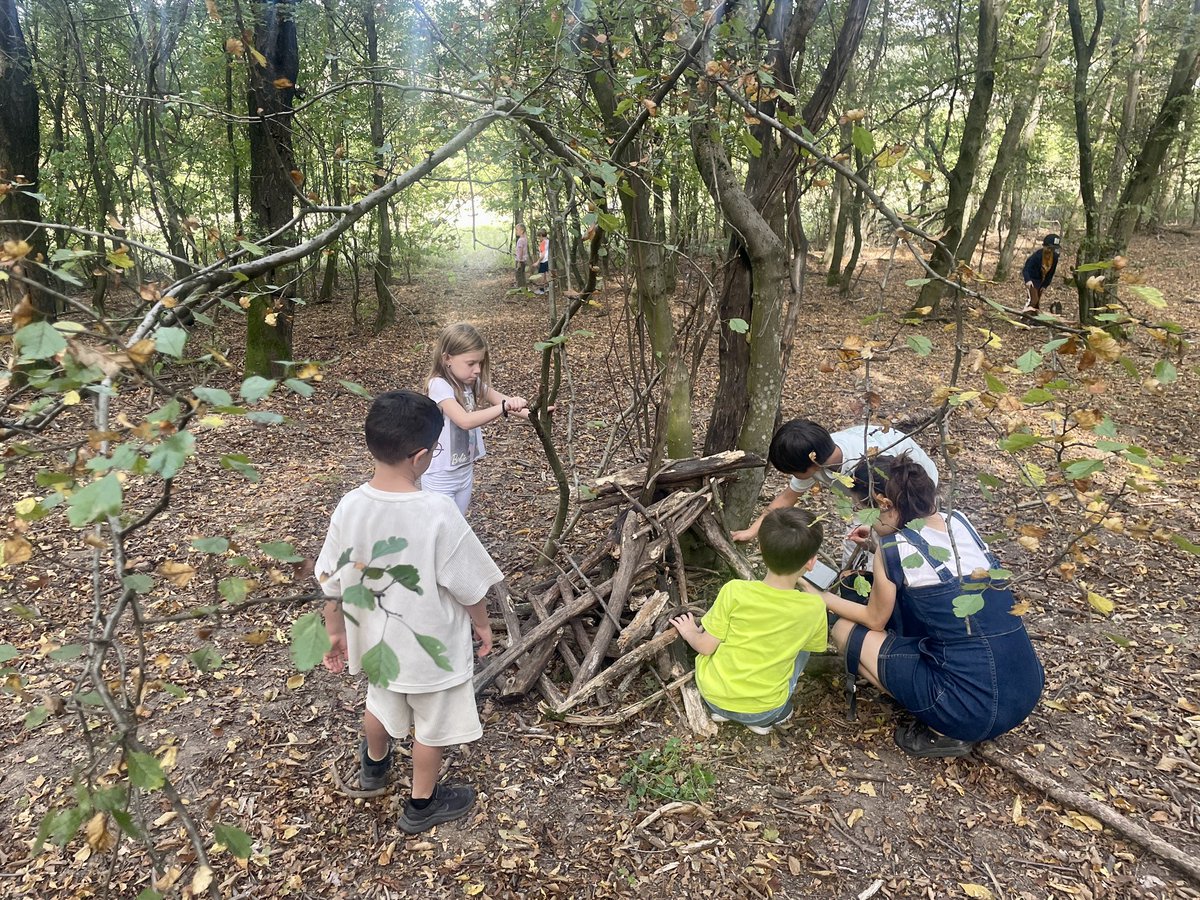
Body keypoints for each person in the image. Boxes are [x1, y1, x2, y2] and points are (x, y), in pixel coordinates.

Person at [315, 390, 504, 833]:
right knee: (431, 727)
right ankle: (422, 805)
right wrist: (481, 624)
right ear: (421, 457)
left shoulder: (351, 505)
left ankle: (374, 768)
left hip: (377, 641)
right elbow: (467, 581)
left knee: (379, 705)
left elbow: (332, 577)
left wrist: (335, 630)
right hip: (429, 648)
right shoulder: (436, 511)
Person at [815, 453, 1044, 757]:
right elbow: (932, 564)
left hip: (969, 709)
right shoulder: (958, 521)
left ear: (883, 503)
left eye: (864, 511)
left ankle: (942, 728)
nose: (862, 519)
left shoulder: (893, 548)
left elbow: (874, 620)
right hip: (1025, 690)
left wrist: (819, 596)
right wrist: (874, 541)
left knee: (844, 629)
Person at [670, 509, 829, 735]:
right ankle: (763, 720)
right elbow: (812, 648)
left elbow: (705, 647)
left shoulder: (735, 591)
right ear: (811, 563)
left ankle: (725, 712)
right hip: (766, 710)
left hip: (713, 696)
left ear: (761, 549)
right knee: (803, 649)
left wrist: (689, 632)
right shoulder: (814, 607)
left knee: (719, 630)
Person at [732, 418, 939, 544]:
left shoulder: (865, 465)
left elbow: (890, 512)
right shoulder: (819, 454)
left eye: (793, 471)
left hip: (914, 486)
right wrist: (751, 531)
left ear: (812, 463)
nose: (792, 477)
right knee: (858, 539)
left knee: (902, 541)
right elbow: (788, 497)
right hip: (873, 498)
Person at [424, 322, 529, 515]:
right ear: (447, 358)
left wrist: (535, 415)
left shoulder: (469, 383)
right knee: (441, 529)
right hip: (440, 474)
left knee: (458, 524)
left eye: (480, 363)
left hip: (464, 469)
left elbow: (501, 400)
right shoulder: (439, 385)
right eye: (471, 363)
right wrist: (503, 407)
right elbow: (464, 420)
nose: (478, 369)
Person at [1021, 233, 1061, 314]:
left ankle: (1034, 318)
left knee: (1037, 301)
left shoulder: (1055, 258)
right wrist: (1028, 280)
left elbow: (1051, 273)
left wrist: (1045, 285)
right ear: (1044, 246)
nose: (1050, 250)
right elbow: (1026, 269)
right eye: (1049, 248)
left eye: (1052, 249)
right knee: (1033, 299)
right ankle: (1024, 317)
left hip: (1041, 280)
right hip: (1032, 279)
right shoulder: (1036, 256)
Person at [533, 228, 550, 295]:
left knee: (542, 275)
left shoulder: (543, 243)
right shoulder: (548, 241)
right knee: (546, 275)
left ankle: (542, 290)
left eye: (539, 237)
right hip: (548, 260)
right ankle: (547, 288)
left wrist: (537, 262)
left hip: (544, 261)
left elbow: (542, 255)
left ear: (541, 235)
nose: (538, 239)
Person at [513, 223, 529, 289]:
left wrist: (519, 261)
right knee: (522, 274)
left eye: (517, 230)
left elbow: (520, 251)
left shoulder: (520, 240)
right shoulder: (525, 239)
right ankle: (523, 287)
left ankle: (520, 288)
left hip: (520, 260)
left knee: (519, 275)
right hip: (524, 260)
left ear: (522, 231)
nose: (516, 231)